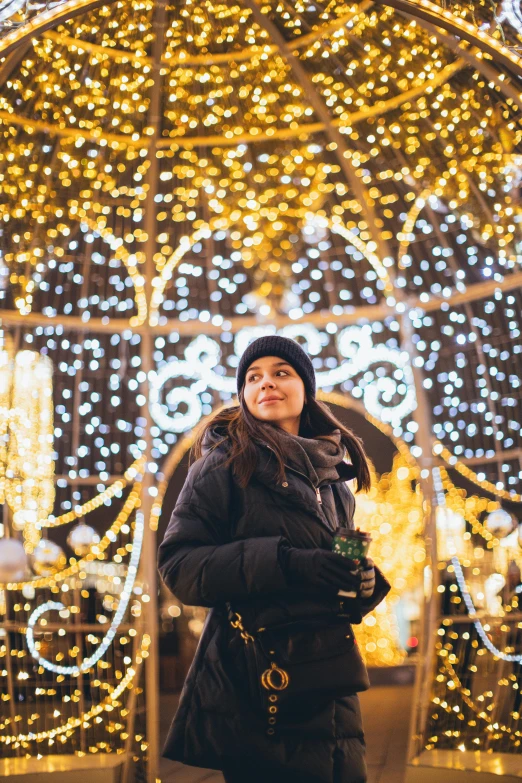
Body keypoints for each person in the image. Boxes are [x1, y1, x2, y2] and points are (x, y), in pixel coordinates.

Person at [158, 335, 391, 783]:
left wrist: (361, 584)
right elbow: (180, 567)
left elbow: (331, 586)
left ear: (306, 387)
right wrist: (287, 563)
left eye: (280, 373)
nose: (266, 383)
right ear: (243, 395)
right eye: (253, 377)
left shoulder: (334, 479)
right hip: (259, 681)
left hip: (330, 677)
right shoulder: (225, 464)